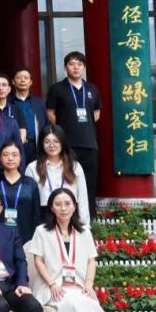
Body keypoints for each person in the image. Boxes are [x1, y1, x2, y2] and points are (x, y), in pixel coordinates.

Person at [25, 188, 108, 312]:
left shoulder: (84, 231)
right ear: (51, 208)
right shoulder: (42, 231)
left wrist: (89, 284)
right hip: (51, 285)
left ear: (74, 206)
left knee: (91, 305)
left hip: (78, 284)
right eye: (58, 204)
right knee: (67, 301)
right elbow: (38, 261)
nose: (63, 208)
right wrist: (52, 283)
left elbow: (91, 261)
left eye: (67, 204)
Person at [46, 52, 100, 216]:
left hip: (89, 144)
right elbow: (50, 113)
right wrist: (63, 129)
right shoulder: (56, 89)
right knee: (67, 181)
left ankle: (89, 219)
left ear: (84, 67)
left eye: (79, 64)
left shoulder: (92, 89)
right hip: (67, 145)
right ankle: (67, 217)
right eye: (71, 64)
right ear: (65, 67)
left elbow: (96, 113)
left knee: (89, 184)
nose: (76, 67)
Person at [26, 125, 90, 225]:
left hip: (70, 218)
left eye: (56, 141)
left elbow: (82, 197)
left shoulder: (74, 166)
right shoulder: (32, 168)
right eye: (47, 142)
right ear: (41, 144)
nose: (52, 145)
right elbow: (29, 202)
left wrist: (84, 224)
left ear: (62, 142)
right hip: (43, 219)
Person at [0, 142, 42, 243]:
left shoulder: (30, 184)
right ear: (0, 157)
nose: (10, 158)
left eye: (14, 155)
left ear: (21, 157)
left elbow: (37, 216)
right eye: (6, 155)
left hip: (26, 238)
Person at [11, 69, 47, 165]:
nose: (23, 80)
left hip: (36, 145)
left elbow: (45, 123)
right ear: (13, 82)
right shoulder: (8, 101)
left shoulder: (39, 102)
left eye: (26, 78)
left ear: (31, 82)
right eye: (19, 77)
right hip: (14, 145)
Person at [0, 74, 28, 145]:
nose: (0, 88)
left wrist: (15, 148)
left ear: (9, 89)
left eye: (4, 85)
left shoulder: (16, 109)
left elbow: (22, 132)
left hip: (13, 149)